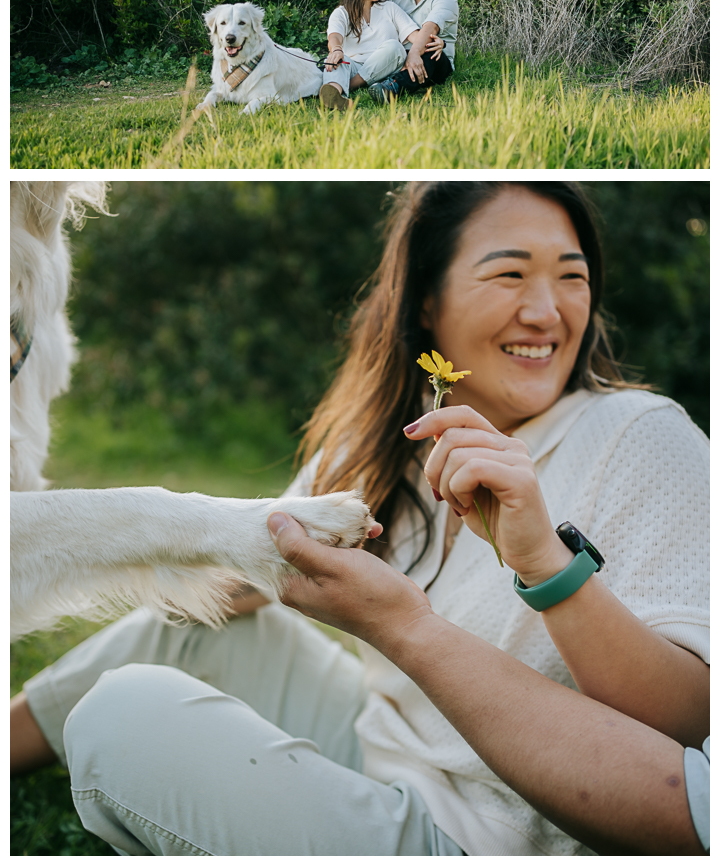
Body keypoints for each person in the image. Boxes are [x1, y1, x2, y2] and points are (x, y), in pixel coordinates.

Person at [10, 182, 709, 857]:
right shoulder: (385, 447)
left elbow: (689, 721)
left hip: (486, 835)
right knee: (197, 635)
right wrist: (246, 554)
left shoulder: (638, 433)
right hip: (380, 755)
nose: (546, 311)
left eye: (572, 277)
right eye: (510, 276)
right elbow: (243, 579)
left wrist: (547, 570)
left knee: (123, 718)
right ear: (427, 303)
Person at [267, 510, 710, 856]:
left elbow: (689, 760)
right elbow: (255, 572)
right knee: (207, 640)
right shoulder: (371, 433)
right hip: (386, 736)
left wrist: (402, 624)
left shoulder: (636, 429)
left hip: (472, 829)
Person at [319, 0, 425, 113]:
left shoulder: (389, 8)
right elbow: (335, 35)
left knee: (395, 47)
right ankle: (334, 93)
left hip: (385, 65)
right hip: (354, 65)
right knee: (337, 60)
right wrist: (336, 50)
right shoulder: (341, 12)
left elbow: (414, 35)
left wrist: (433, 41)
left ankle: (349, 85)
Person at [368, 0, 458, 104]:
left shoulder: (446, 0)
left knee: (430, 52)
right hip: (397, 52)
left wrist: (415, 52)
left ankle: (392, 87)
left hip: (433, 59)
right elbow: (374, 16)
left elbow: (430, 28)